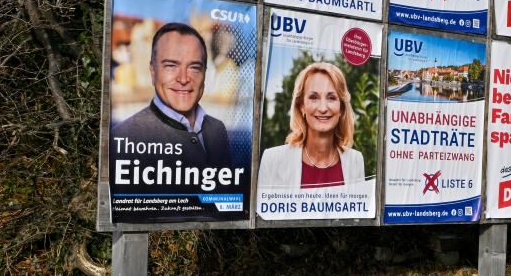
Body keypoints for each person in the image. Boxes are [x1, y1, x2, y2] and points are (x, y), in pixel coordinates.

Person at [112, 23, 232, 168]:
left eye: (194, 67)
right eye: (171, 66)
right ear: (153, 71)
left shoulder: (217, 129)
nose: (183, 78)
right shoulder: (126, 135)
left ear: (204, 73)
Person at [258, 62, 365, 188]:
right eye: (314, 97)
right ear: (301, 106)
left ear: (341, 107)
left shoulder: (355, 161)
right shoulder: (272, 161)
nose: (323, 108)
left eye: (331, 98)